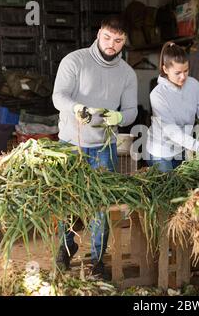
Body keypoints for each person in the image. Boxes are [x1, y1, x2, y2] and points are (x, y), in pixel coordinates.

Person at [52, 16, 138, 276]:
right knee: (66, 201)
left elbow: (132, 110)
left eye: (118, 40)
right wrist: (76, 107)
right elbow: (58, 97)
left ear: (124, 42)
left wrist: (121, 117)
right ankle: (66, 249)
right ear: (99, 33)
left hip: (104, 146)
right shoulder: (74, 61)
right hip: (71, 143)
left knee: (101, 206)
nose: (112, 45)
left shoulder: (127, 73)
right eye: (107, 38)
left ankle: (98, 258)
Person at [146, 42, 199, 172]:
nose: (183, 77)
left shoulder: (193, 85)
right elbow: (172, 132)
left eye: (186, 71)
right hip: (161, 152)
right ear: (165, 69)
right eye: (178, 73)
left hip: (183, 148)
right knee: (168, 188)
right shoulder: (157, 95)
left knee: (184, 187)